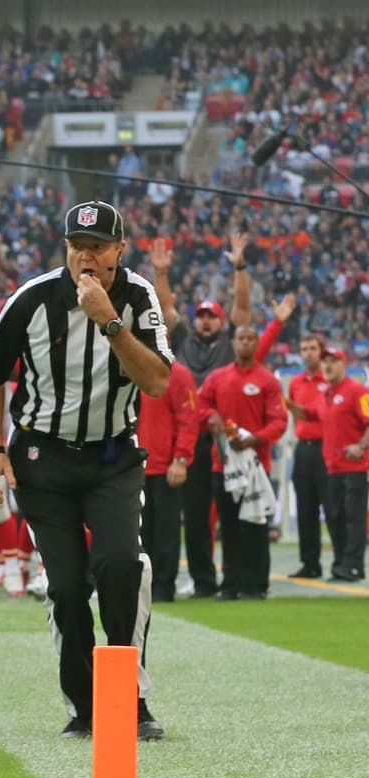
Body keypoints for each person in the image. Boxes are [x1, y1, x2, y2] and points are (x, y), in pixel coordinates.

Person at [0, 200, 171, 741]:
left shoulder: (137, 296)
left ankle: (130, 702)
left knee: (121, 568)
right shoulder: (31, 298)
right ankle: (85, 707)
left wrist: (108, 321)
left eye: (97, 247)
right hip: (43, 457)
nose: (84, 256)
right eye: (75, 245)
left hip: (112, 455)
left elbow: (156, 383)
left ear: (118, 250)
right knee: (64, 586)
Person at [151, 235, 251, 599]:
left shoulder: (230, 342)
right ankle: (199, 581)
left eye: (212, 316)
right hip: (190, 441)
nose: (206, 321)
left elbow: (242, 307)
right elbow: (165, 310)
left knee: (226, 514)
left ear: (221, 323)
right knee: (193, 517)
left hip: (224, 442)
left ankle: (223, 581)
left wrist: (239, 266)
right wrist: (161, 274)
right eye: (203, 316)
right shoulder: (182, 341)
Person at [196, 326, 287, 600]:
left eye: (250, 339)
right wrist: (211, 416)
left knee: (256, 526)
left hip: (256, 468)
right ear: (233, 344)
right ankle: (231, 583)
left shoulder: (268, 381)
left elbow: (279, 422)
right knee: (229, 526)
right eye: (241, 339)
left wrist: (254, 439)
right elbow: (198, 407)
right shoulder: (217, 378)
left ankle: (256, 585)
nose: (245, 343)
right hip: (222, 466)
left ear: (256, 343)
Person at [290, 347, 369, 581]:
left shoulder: (358, 391)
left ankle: (354, 565)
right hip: (332, 467)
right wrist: (283, 400)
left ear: (344, 364)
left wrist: (361, 446)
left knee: (354, 518)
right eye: (325, 361)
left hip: (353, 468)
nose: (327, 365)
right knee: (335, 517)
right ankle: (342, 563)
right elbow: (308, 413)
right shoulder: (326, 396)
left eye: (333, 360)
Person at [135, 360, 198, 602]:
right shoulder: (130, 367)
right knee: (138, 532)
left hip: (164, 466)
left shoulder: (178, 374)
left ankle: (163, 586)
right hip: (134, 465)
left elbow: (188, 419)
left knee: (166, 532)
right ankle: (142, 585)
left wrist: (181, 458)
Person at [282, 333, 331, 578]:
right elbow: (296, 417)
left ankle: (344, 561)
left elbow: (315, 412)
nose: (308, 352)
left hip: (326, 447)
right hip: (303, 447)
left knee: (333, 507)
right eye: (304, 348)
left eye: (312, 348)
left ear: (321, 352)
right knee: (305, 508)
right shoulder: (296, 383)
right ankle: (310, 563)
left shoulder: (330, 381)